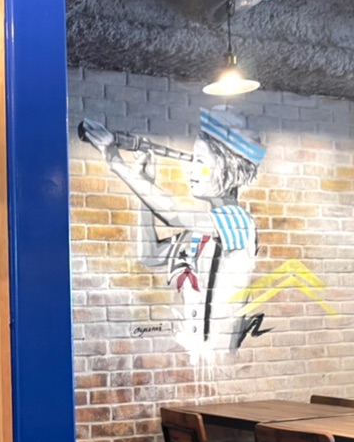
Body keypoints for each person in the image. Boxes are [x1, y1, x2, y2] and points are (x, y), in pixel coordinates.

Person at [78, 107, 266, 356]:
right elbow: (150, 255)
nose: (191, 170)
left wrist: (115, 160)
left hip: (223, 361)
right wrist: (146, 180)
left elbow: (172, 213)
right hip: (197, 362)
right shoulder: (201, 232)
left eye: (201, 162)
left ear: (227, 169)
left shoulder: (238, 222)